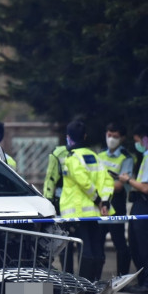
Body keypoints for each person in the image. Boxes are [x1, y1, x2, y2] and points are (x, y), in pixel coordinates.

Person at [51, 119, 113, 281]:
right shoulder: (94, 157)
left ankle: (83, 284)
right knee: (94, 246)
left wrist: (97, 199)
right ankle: (93, 281)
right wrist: (105, 202)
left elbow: (84, 182)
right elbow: (106, 181)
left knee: (84, 248)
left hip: (77, 211)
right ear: (85, 136)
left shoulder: (72, 159)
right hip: (94, 212)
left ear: (68, 138)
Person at [118, 124, 148, 294]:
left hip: (147, 202)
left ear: (145, 139)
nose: (136, 143)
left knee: (146, 245)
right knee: (136, 243)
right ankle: (144, 281)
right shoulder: (147, 157)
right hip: (141, 203)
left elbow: (145, 187)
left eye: (137, 140)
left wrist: (127, 180)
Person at [97, 122, 135, 277]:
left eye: (115, 136)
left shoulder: (126, 158)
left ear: (122, 138)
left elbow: (120, 185)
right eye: (109, 135)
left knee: (119, 242)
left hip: (116, 203)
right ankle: (94, 278)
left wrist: (102, 185)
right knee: (97, 242)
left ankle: (122, 277)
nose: (111, 139)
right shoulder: (99, 156)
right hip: (99, 203)